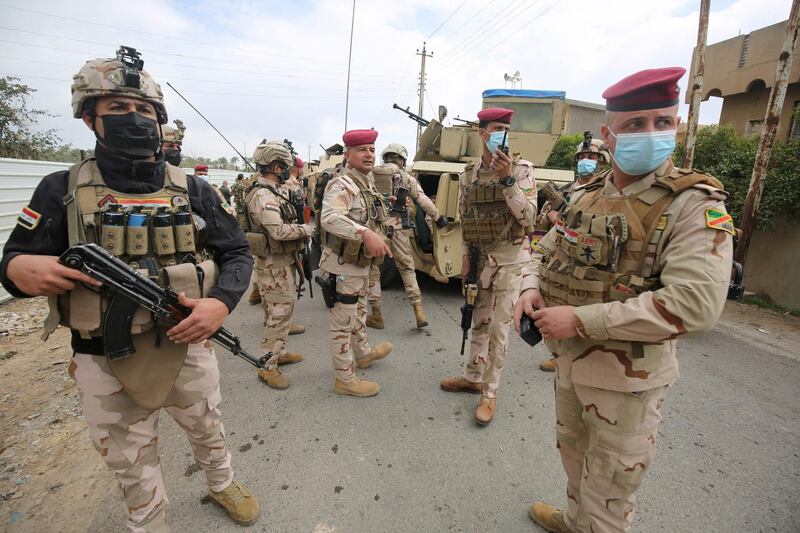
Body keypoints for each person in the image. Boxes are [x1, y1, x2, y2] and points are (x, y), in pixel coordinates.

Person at [0, 47, 260, 531]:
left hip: (186, 341)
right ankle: (148, 522)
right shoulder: (61, 189)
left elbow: (238, 254)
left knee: (207, 427)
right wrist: (18, 268)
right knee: (130, 461)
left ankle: (222, 483)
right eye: (117, 108)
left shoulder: (195, 191)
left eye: (144, 110)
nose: (134, 118)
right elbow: (14, 260)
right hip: (102, 356)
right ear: (88, 118)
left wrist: (220, 305)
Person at [515, 67, 733, 533]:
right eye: (636, 124)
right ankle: (574, 519)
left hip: (628, 383)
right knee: (574, 458)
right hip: (572, 366)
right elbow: (545, 247)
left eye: (663, 122)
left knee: (610, 494)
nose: (652, 133)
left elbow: (695, 305)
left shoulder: (694, 203)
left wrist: (580, 320)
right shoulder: (588, 196)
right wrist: (529, 286)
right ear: (609, 135)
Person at [439, 108, 537, 425]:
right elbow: (465, 217)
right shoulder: (468, 174)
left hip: (511, 256)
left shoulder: (522, 169)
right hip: (482, 257)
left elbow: (529, 219)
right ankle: (472, 377)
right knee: (478, 320)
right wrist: (467, 254)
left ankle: (489, 394)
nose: (502, 134)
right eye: (496, 128)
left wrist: (507, 179)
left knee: (499, 328)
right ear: (482, 133)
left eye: (506, 129)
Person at [318, 129, 393, 397]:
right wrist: (364, 233)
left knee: (358, 313)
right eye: (362, 149)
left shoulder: (365, 181)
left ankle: (362, 354)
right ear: (348, 154)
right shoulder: (342, 184)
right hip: (343, 267)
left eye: (372, 149)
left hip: (360, 264)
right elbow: (328, 217)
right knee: (342, 323)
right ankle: (345, 379)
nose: (369, 154)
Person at [536, 136, 611, 372]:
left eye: (591, 157)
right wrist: (550, 218)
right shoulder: (563, 192)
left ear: (602, 161)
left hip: (589, 260)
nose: (586, 161)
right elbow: (538, 220)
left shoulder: (606, 194)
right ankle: (559, 353)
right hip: (560, 259)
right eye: (582, 157)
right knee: (557, 305)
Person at [244, 141, 312, 390]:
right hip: (274, 264)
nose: (288, 171)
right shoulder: (263, 194)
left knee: (279, 312)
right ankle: (267, 365)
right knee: (279, 315)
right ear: (275, 166)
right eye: (285, 166)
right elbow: (279, 231)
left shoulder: (272, 190)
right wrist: (306, 229)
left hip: (281, 261)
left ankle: (278, 352)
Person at [366, 143, 448, 329]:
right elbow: (422, 199)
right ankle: (419, 311)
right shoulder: (405, 177)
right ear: (401, 159)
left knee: (373, 270)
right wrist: (438, 217)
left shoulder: (371, 174)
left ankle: (377, 315)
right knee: (407, 269)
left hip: (376, 229)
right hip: (400, 228)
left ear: (385, 157)